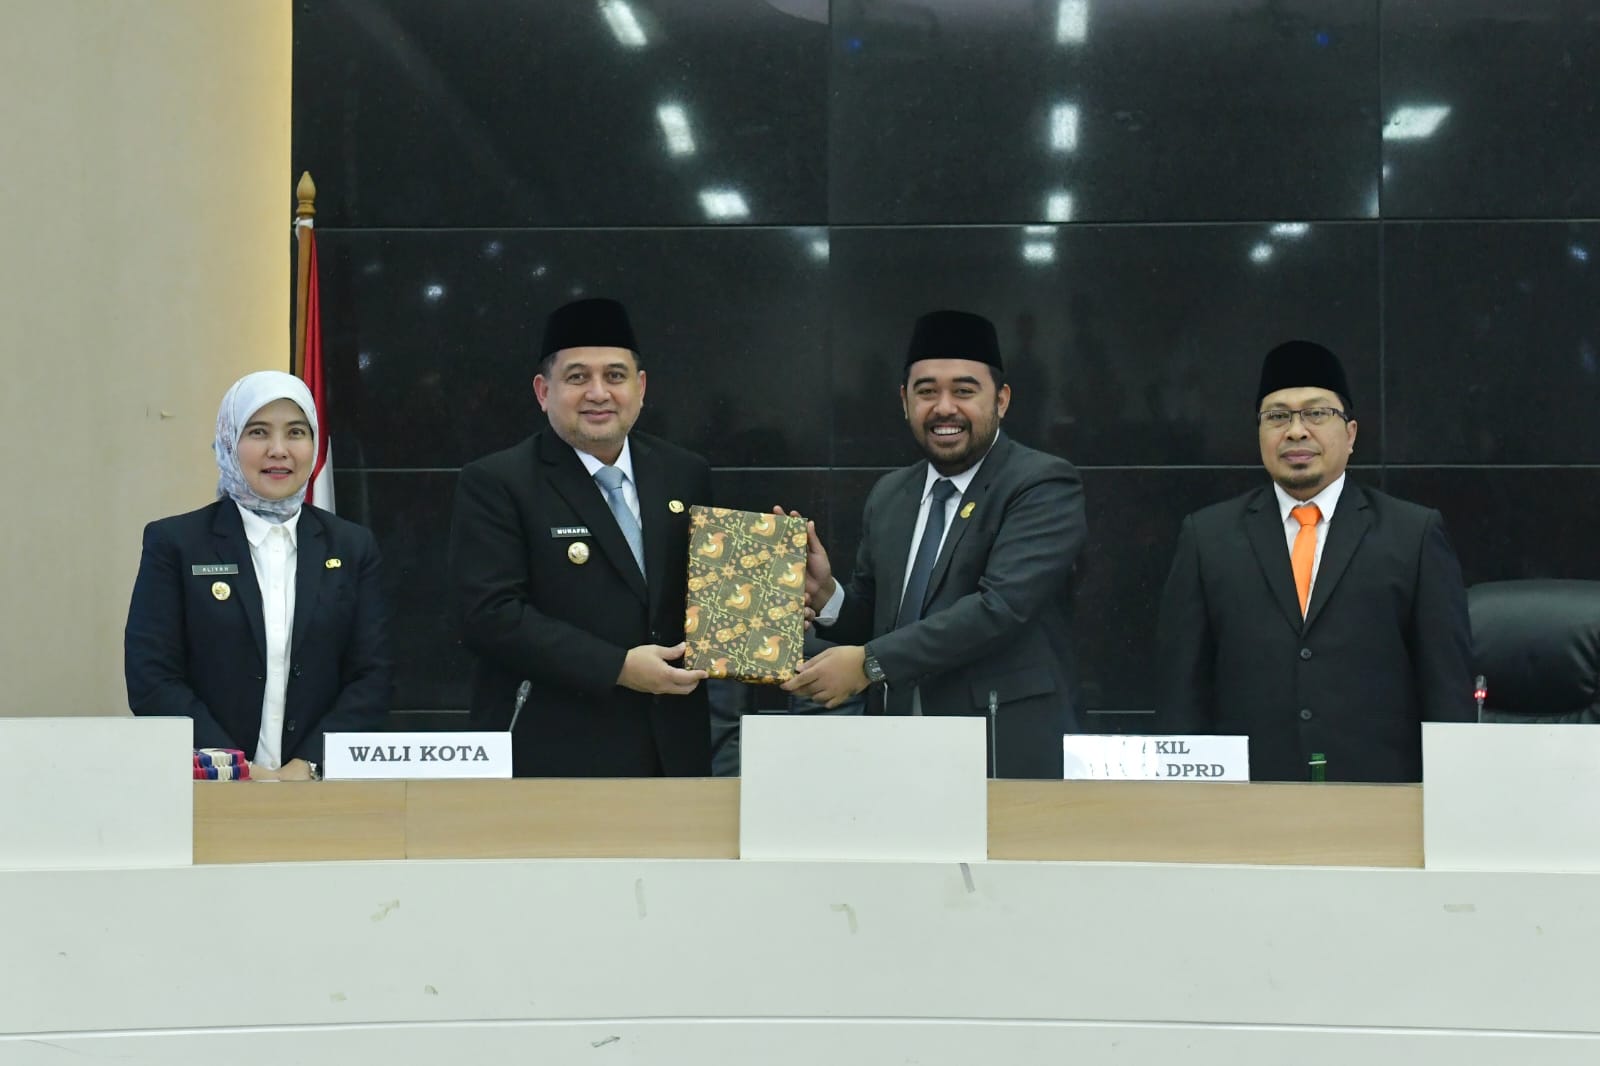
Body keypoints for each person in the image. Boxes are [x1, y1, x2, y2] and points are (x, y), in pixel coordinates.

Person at [783, 309, 1087, 778]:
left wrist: (868, 664)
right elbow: (880, 619)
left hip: (1001, 748)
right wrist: (827, 595)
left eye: (964, 391)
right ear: (904, 401)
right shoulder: (891, 494)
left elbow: (999, 609)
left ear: (1001, 400)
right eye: (927, 392)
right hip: (893, 752)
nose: (944, 408)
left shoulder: (1042, 484)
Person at [1154, 340, 1474, 782]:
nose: (1296, 431)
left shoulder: (1412, 534)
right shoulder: (1207, 537)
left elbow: (1447, 692)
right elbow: (1181, 693)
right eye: (1277, 417)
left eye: (1316, 414)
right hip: (1247, 798)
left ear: (1351, 434)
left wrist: (1450, 795)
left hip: (1378, 797)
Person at [449, 297, 712, 776]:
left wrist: (770, 610)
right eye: (577, 377)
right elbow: (490, 616)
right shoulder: (498, 482)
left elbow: (707, 595)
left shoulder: (684, 473)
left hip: (674, 754)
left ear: (640, 387)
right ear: (542, 391)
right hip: (555, 755)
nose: (598, 393)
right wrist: (618, 667)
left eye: (615, 376)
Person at [124, 371, 390, 780]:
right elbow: (152, 678)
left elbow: (372, 677)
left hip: (322, 789)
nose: (278, 450)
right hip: (208, 788)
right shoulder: (176, 543)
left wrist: (309, 764)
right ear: (229, 442)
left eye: (296, 432)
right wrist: (238, 768)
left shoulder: (352, 547)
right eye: (259, 432)